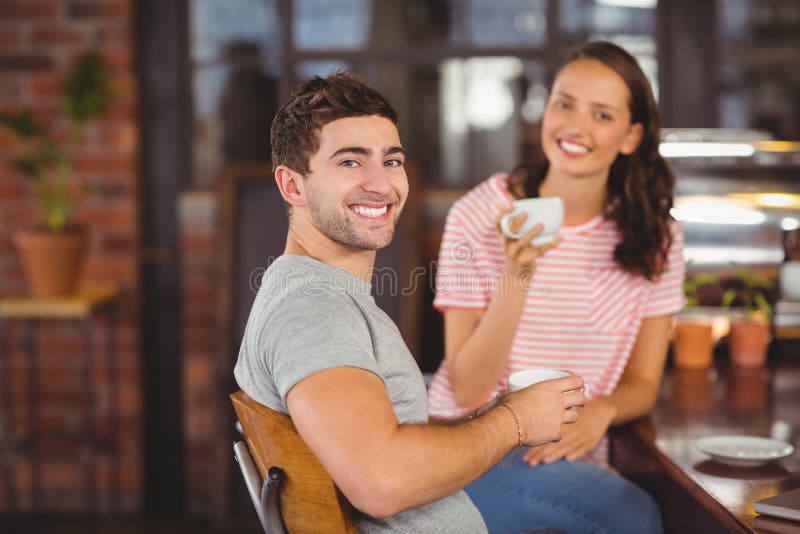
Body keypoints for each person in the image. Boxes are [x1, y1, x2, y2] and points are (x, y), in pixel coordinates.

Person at [234, 71, 587, 533]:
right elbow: (382, 481)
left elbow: (386, 438)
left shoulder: (317, 293)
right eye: (350, 163)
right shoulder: (315, 309)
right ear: (293, 186)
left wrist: (489, 414)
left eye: (392, 161)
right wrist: (516, 421)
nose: (382, 185)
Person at [427, 41, 685, 533]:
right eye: (564, 104)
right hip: (470, 447)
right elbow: (469, 387)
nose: (575, 127)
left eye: (602, 114)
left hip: (569, 455)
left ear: (631, 136)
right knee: (634, 516)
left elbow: (644, 384)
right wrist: (517, 274)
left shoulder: (657, 238)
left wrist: (601, 411)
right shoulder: (479, 214)